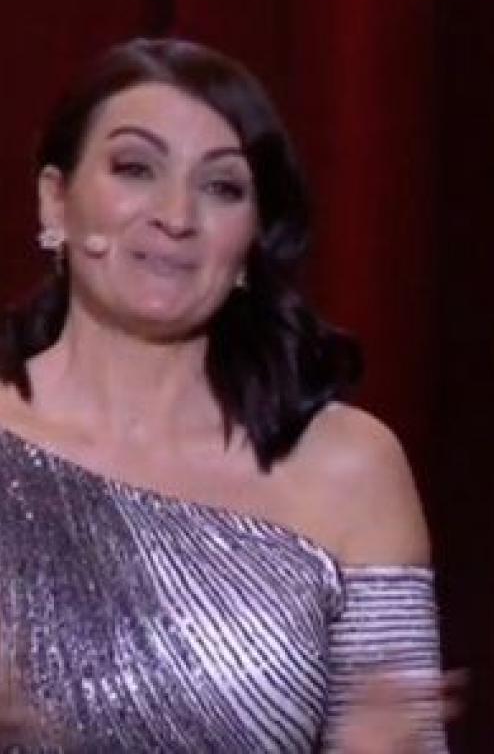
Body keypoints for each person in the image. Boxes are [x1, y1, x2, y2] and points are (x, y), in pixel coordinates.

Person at [0, 38, 448, 752]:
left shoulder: (349, 467)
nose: (176, 216)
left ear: (253, 237)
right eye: (135, 169)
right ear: (56, 198)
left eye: (222, 187)